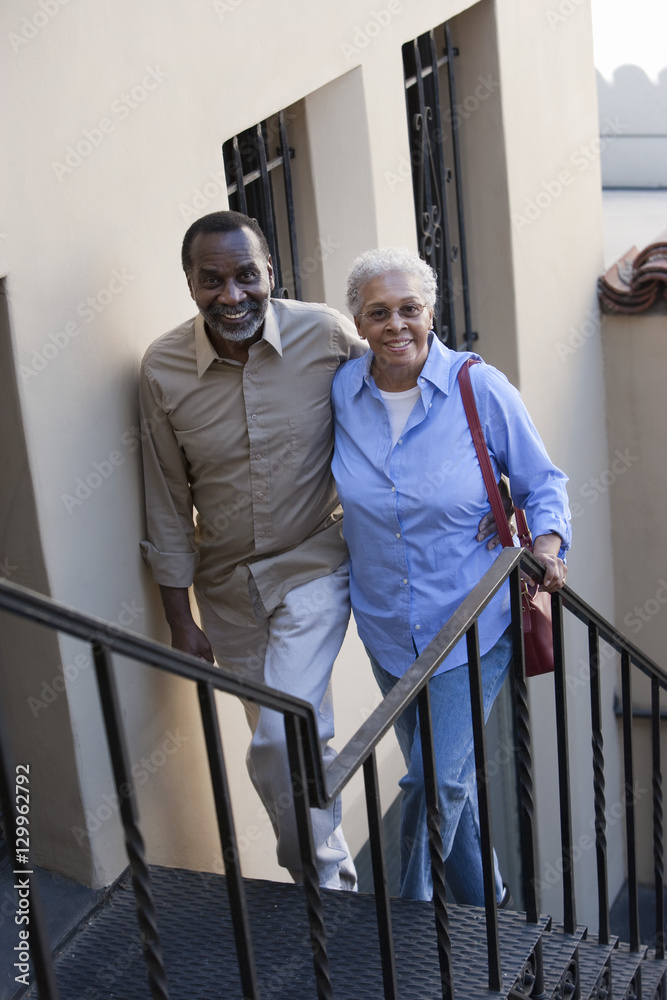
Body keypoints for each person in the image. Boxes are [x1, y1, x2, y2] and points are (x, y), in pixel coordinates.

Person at [331, 247, 571, 905]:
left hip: (472, 617)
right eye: (378, 312)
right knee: (447, 786)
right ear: (357, 322)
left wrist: (547, 547)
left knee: (435, 786)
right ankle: (488, 917)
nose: (396, 324)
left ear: (430, 311)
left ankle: (400, 929)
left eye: (409, 308)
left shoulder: (477, 386)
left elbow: (540, 482)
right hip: (384, 625)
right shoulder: (341, 396)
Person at [139, 210, 365, 889]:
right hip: (227, 593)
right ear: (189, 283)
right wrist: (181, 620)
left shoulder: (323, 333)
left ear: (271, 274)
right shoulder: (161, 369)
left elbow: (396, 397)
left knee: (280, 736)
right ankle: (328, 878)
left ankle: (326, 890)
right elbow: (166, 502)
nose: (231, 295)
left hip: (314, 563)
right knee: (283, 752)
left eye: (246, 276)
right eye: (212, 280)